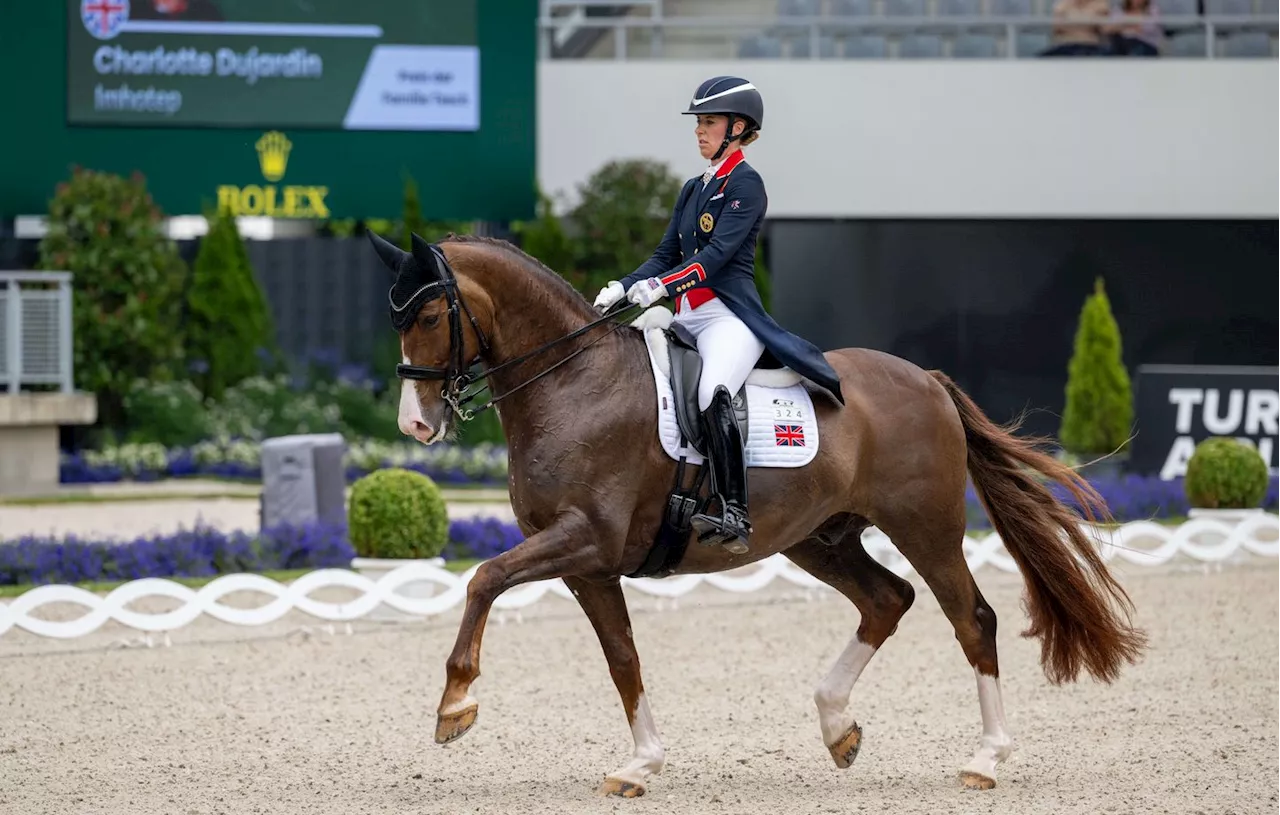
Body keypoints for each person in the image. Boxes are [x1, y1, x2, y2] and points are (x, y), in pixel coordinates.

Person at [593, 75, 845, 555]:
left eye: (708, 122)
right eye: (699, 123)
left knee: (713, 391)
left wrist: (660, 287)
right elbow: (667, 251)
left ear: (738, 127)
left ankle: (734, 510)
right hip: (686, 319)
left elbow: (716, 256)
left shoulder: (747, 185)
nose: (699, 131)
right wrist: (624, 286)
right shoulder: (694, 188)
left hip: (729, 318)